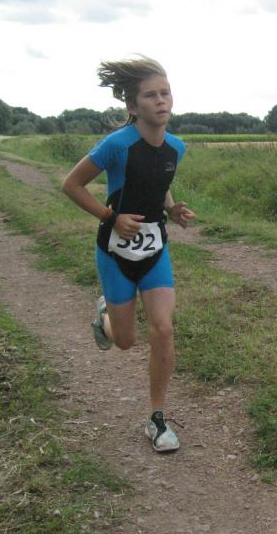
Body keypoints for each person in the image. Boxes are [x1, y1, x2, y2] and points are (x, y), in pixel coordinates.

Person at [62, 56, 195, 452]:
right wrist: (111, 217)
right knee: (124, 341)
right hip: (115, 251)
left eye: (165, 93)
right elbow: (71, 185)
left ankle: (157, 419)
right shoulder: (116, 145)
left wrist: (171, 209)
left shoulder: (176, 147)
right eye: (151, 95)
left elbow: (158, 181)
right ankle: (105, 315)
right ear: (133, 106)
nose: (161, 100)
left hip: (155, 249)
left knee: (163, 328)